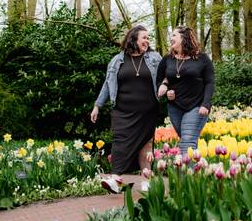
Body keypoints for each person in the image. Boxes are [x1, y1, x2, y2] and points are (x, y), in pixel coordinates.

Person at [91, 25, 161, 180]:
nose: (147, 41)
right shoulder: (117, 61)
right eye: (144, 38)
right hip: (122, 112)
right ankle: (116, 179)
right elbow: (107, 85)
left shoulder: (155, 58)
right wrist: (97, 105)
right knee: (120, 143)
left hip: (147, 112)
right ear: (133, 39)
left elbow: (165, 77)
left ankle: (147, 182)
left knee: (146, 145)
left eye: (148, 38)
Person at [157, 26, 215, 157]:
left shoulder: (202, 58)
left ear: (184, 38)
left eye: (174, 36)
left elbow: (210, 82)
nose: (170, 38)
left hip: (196, 106)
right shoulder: (167, 59)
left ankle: (185, 176)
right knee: (188, 141)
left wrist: (205, 104)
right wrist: (166, 90)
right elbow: (159, 81)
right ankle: (198, 172)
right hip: (175, 108)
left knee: (187, 142)